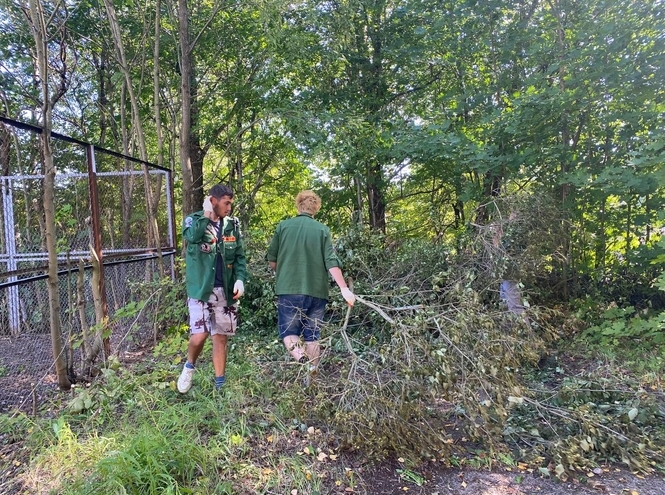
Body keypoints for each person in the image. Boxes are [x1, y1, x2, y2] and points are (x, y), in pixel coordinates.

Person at [266, 190, 356, 381]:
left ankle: (304, 362)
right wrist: (344, 289)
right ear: (316, 208)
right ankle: (311, 379)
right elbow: (331, 261)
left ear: (298, 205)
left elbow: (272, 260)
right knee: (312, 336)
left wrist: (284, 271)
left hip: (289, 290)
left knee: (289, 333)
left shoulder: (283, 227)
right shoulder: (322, 230)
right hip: (317, 292)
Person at [177, 184, 246, 393]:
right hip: (201, 289)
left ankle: (220, 385)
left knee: (220, 337)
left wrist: (240, 279)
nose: (229, 208)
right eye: (226, 203)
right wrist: (207, 214)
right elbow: (192, 237)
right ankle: (189, 366)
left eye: (231, 203)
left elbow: (240, 256)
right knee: (200, 335)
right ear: (213, 200)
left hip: (224, 290)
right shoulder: (193, 220)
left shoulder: (232, 225)